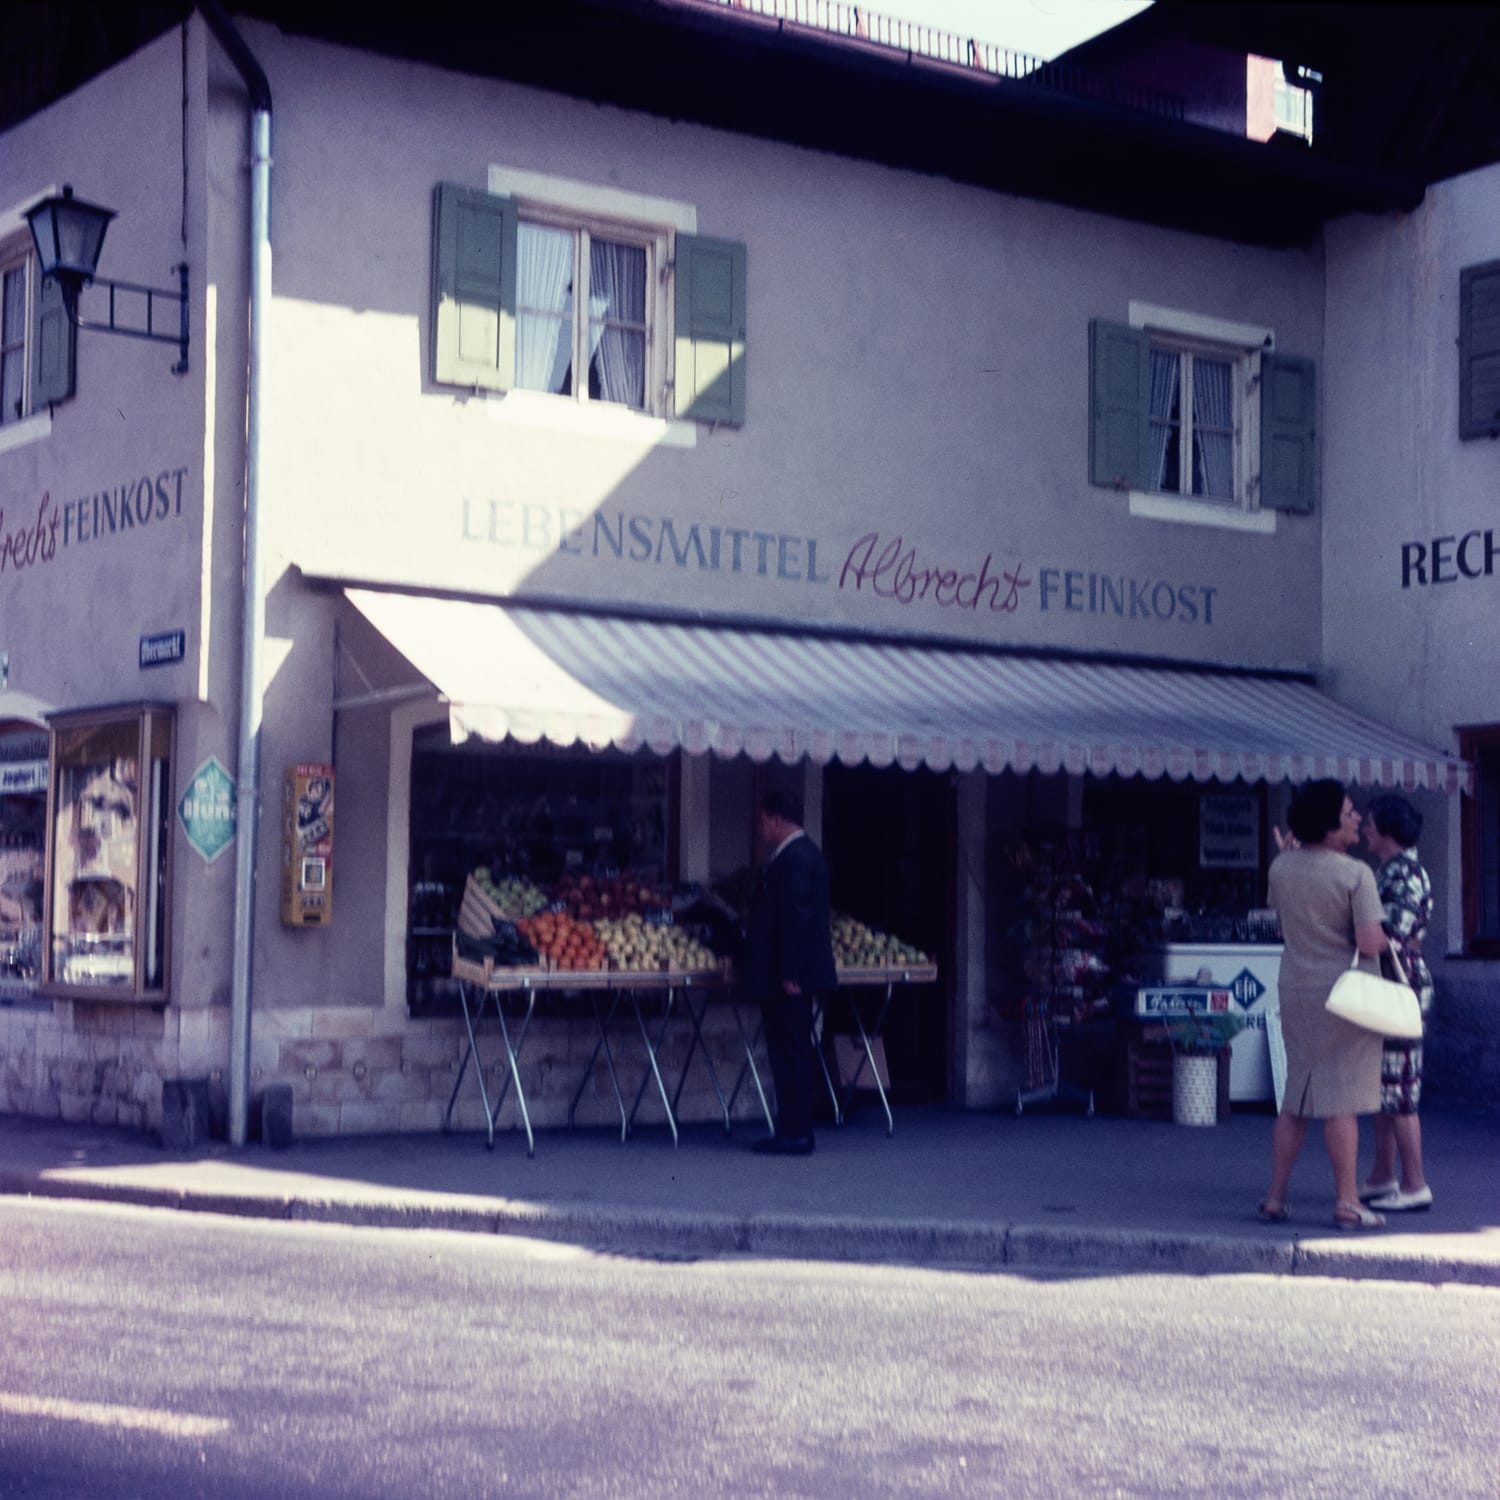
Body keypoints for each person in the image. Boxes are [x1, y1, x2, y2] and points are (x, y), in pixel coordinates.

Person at [1259, 779, 1390, 1230]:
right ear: (1329, 823)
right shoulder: (1357, 874)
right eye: (1349, 811)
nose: (1356, 819)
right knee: (1341, 1099)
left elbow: (1283, 925)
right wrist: (1394, 935)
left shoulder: (1282, 869)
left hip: (1296, 987)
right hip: (1345, 993)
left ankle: (1275, 1197)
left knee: (1296, 1095)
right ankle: (1347, 1200)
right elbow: (1370, 941)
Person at [744, 789, 837, 1156]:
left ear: (779, 820)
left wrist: (791, 972)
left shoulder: (795, 858)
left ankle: (795, 1132)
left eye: (765, 820)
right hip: (788, 974)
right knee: (791, 1052)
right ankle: (793, 1128)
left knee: (791, 1053)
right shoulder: (800, 855)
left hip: (789, 978)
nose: (761, 827)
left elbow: (796, 918)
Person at [1358, 793, 1435, 1212]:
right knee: (1385, 1086)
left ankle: (1414, 1183)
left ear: (1386, 830)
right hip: (1391, 986)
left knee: (1401, 1089)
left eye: (1370, 824)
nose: (1365, 830)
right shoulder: (1393, 870)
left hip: (1398, 989)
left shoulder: (1404, 873)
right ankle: (1383, 1174)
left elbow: (1392, 931)